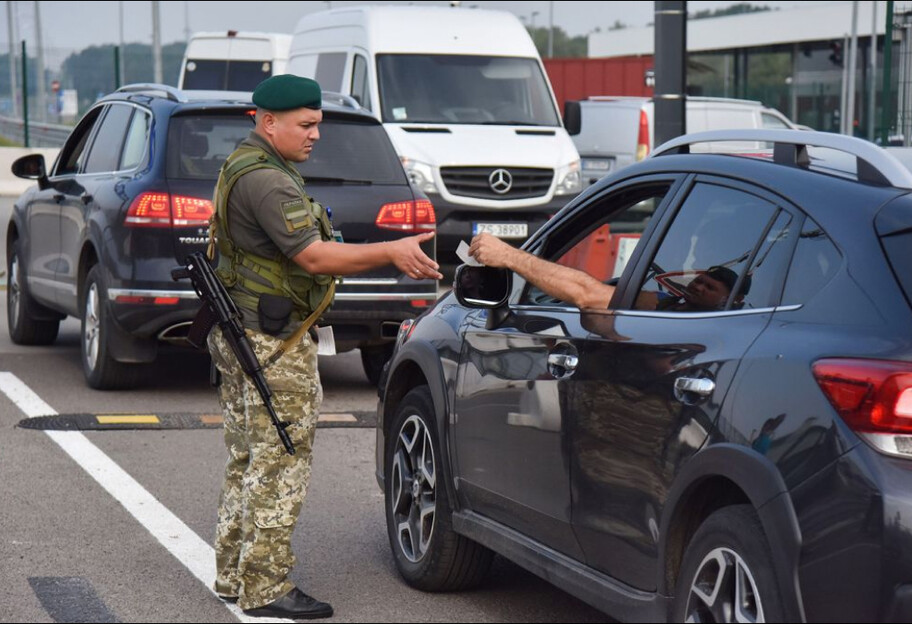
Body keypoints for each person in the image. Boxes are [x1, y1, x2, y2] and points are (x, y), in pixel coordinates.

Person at [207, 74, 441, 620]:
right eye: (306, 125)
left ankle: (232, 572)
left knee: (248, 457)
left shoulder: (244, 163)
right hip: (271, 341)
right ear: (268, 122)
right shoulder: (268, 181)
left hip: (243, 332)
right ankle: (265, 587)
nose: (316, 136)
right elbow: (313, 257)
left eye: (318, 124)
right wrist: (392, 251)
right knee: (280, 460)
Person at [468, 233, 749, 312]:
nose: (699, 287)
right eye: (700, 281)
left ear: (733, 301)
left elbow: (587, 294)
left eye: (710, 288)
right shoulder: (664, 302)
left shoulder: (716, 323)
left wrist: (509, 256)